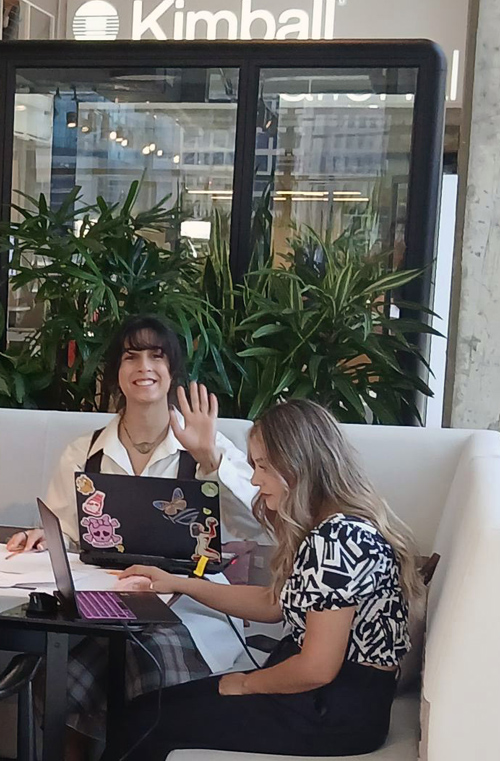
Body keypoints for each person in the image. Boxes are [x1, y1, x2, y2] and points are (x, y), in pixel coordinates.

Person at [109, 399, 423, 760]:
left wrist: (244, 684)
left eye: (263, 466)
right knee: (145, 710)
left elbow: (317, 668)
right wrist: (180, 582)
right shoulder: (331, 527)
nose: (256, 479)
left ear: (298, 467)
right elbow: (274, 604)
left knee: (145, 720)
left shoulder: (336, 541)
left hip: (333, 712)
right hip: (330, 698)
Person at [6, 314, 263, 754]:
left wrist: (209, 459)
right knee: (54, 679)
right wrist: (43, 537)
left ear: (172, 371)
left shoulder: (206, 446)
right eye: (131, 356)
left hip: (189, 612)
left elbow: (255, 523)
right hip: (104, 612)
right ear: (117, 374)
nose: (144, 366)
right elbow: (70, 534)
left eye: (156, 356)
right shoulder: (84, 453)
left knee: (149, 670)